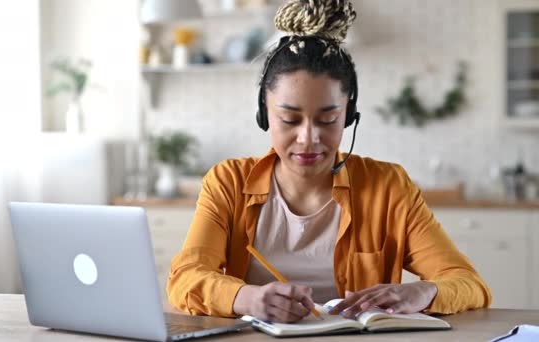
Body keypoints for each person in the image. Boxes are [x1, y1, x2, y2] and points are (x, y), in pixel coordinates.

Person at [167, 0, 491, 323]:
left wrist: (425, 291)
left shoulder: (389, 186)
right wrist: (248, 298)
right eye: (290, 120)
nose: (308, 138)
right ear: (264, 115)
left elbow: (469, 284)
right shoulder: (228, 182)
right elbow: (186, 278)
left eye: (327, 119)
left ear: (348, 115)